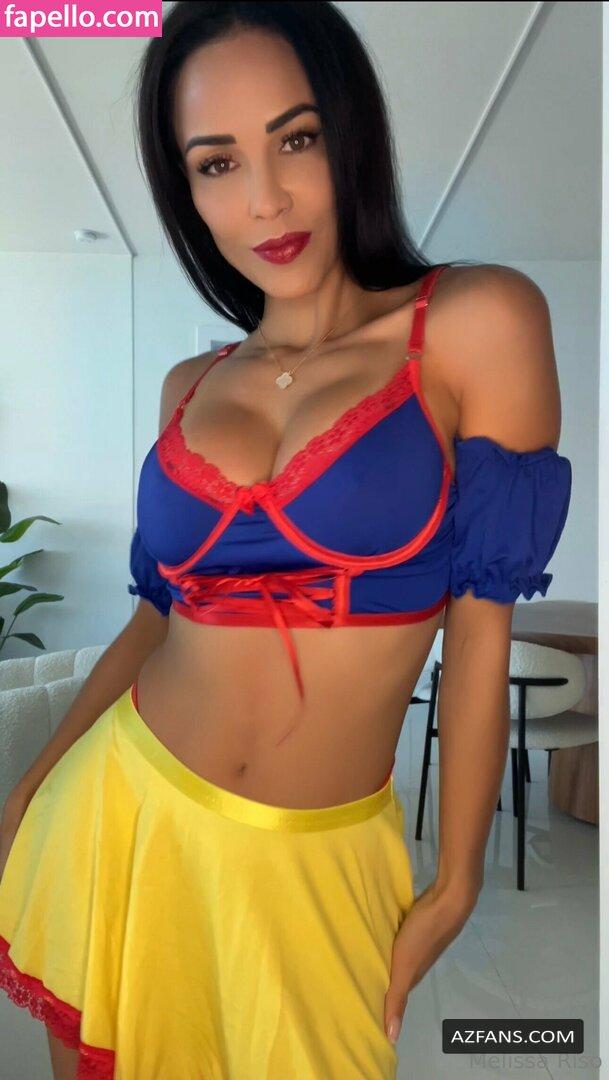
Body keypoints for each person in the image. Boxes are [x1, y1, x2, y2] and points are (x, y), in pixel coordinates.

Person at [0, 3, 572, 1079]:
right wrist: (37, 777)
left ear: (350, 134)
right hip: (118, 808)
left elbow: (479, 631)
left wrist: (456, 882)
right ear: (185, 191)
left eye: (295, 139)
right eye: (216, 163)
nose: (264, 198)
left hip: (313, 859)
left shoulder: (477, 322)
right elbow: (155, 618)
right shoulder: (190, 384)